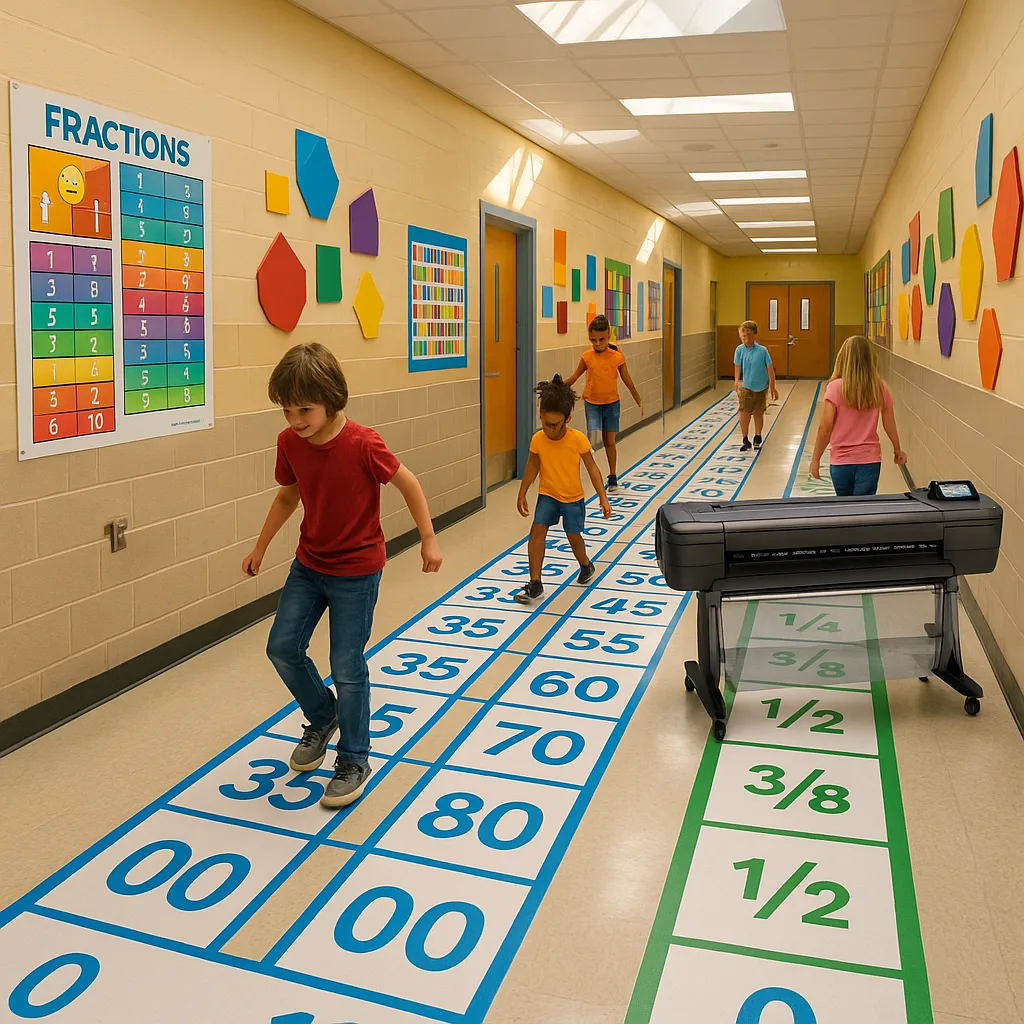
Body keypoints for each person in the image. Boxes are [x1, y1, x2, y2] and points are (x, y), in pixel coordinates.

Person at [242, 342, 443, 809]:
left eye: (304, 409)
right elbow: (288, 498)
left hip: (356, 571)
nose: (294, 420)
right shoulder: (289, 443)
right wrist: (260, 546)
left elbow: (408, 483)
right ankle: (322, 715)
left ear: (331, 398)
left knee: (346, 667)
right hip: (309, 564)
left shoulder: (362, 442)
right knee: (282, 648)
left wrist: (428, 538)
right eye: (287, 410)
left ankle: (354, 758)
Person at [514, 375, 612, 604]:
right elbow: (532, 466)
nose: (549, 429)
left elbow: (593, 469)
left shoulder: (577, 440)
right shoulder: (538, 439)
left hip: (572, 498)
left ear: (567, 419)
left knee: (573, 536)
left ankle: (586, 565)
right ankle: (535, 583)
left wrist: (603, 497)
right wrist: (522, 491)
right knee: (537, 532)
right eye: (545, 423)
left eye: (554, 425)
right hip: (547, 495)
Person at [810, 334, 906, 496]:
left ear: (843, 358)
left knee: (845, 509)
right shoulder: (878, 387)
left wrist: (816, 459)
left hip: (841, 461)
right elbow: (889, 422)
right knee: (865, 509)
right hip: (869, 460)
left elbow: (824, 428)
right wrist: (897, 449)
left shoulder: (835, 387)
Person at [565, 314, 642, 493]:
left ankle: (612, 475)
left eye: (601, 339)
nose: (597, 344)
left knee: (609, 441)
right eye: (593, 340)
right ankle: (590, 473)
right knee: (592, 437)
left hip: (612, 403)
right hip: (592, 402)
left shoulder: (616, 356)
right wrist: (560, 385)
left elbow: (626, 378)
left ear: (608, 336)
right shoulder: (587, 357)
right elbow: (575, 376)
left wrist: (636, 396)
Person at [733, 320, 778, 450]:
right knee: (743, 411)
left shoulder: (762, 351)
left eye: (747, 335)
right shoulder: (739, 350)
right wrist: (736, 381)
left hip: (761, 386)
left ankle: (757, 436)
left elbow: (770, 369)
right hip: (746, 386)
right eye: (742, 335)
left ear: (754, 335)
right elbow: (737, 366)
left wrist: (772, 387)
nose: (744, 337)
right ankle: (745, 437)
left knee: (758, 412)